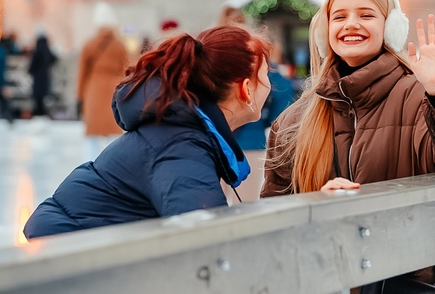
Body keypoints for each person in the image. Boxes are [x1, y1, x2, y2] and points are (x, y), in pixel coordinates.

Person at [260, 0, 435, 293]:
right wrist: (317, 204)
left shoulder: (421, 98)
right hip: (322, 279)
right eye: (340, 16)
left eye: (366, 15)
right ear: (325, 31)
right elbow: (274, 214)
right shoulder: (294, 120)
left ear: (391, 28)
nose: (351, 24)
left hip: (399, 281)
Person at [23, 25, 272, 239]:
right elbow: (205, 245)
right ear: (246, 89)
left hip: (78, 249)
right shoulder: (183, 148)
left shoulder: (185, 130)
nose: (270, 83)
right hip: (68, 258)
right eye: (266, 73)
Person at [230, 65, 295, 203]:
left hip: (216, 143)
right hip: (251, 144)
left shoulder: (216, 65)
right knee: (246, 205)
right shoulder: (270, 73)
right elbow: (281, 113)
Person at [77, 2, 129, 157]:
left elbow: (82, 73)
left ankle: (89, 164)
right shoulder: (120, 45)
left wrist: (79, 96)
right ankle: (116, 164)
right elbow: (126, 69)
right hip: (114, 88)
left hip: (93, 89)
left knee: (93, 132)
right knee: (114, 130)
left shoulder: (90, 44)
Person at [28, 32, 57, 117]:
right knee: (43, 95)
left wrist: (30, 71)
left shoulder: (37, 51)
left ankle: (39, 111)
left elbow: (33, 63)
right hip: (45, 76)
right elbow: (54, 59)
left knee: (37, 96)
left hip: (37, 76)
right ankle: (42, 111)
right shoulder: (47, 51)